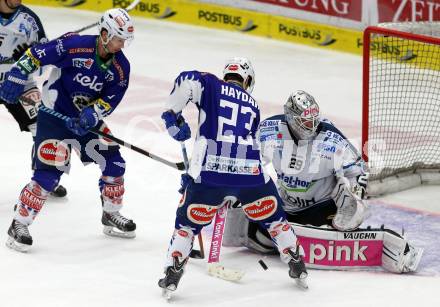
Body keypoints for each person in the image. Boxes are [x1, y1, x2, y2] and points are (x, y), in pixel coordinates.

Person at [223, 90, 423, 273]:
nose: (312, 126)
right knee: (246, 212)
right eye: (305, 121)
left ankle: (333, 231)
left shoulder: (331, 138)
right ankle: (277, 234)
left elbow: (359, 172)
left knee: (349, 197)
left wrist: (355, 195)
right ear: (291, 118)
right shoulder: (269, 130)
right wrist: (235, 182)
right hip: (284, 207)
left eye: (313, 120)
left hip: (323, 210)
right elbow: (247, 158)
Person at [158, 57, 308, 298]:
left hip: (210, 177)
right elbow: (251, 144)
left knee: (186, 225)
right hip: (251, 178)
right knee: (276, 221)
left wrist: (172, 116)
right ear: (247, 80)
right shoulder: (253, 104)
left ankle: (173, 270)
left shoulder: (210, 84)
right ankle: (296, 260)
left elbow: (185, 80)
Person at [0, 8, 136, 252]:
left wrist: (93, 114)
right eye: (118, 38)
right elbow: (36, 55)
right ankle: (19, 224)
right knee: (48, 175)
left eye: (124, 40)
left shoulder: (121, 67)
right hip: (54, 117)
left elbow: (110, 99)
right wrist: (18, 74)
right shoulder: (74, 45)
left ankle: (111, 213)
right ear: (104, 33)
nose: (121, 44)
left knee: (114, 162)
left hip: (85, 123)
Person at [0, 0, 67, 197]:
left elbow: (47, 61)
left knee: (44, 126)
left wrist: (30, 61)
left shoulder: (30, 21)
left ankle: (44, 180)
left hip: (21, 85)